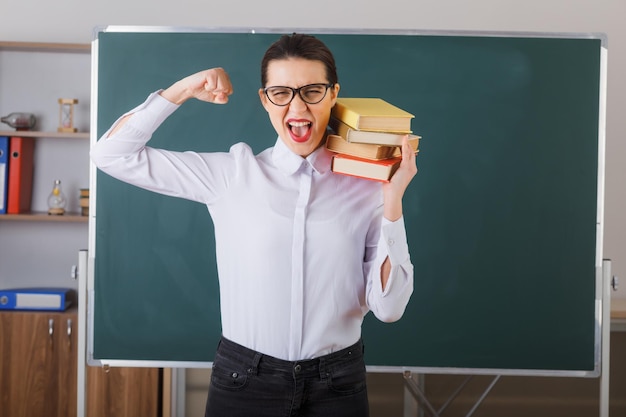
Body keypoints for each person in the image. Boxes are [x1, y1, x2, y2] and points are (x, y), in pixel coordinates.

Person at [91, 33, 417, 417]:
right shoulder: (232, 174)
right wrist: (181, 90)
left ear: (333, 95)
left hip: (337, 384)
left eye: (312, 91)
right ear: (265, 100)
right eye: (281, 92)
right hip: (244, 382)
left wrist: (392, 201)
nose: (297, 106)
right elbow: (112, 155)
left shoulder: (368, 186)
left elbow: (390, 308)